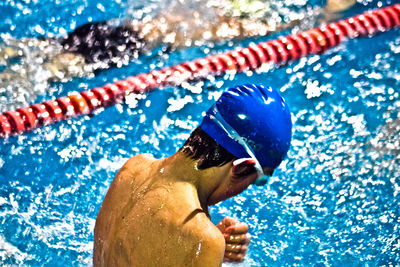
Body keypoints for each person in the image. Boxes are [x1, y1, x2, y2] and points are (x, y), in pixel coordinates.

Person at [0, 0, 355, 111]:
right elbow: (316, 23)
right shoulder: (250, 23)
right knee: (41, 75)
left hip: (123, 27)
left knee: (41, 47)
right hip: (133, 43)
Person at [93, 83, 293, 265]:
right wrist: (207, 246)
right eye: (259, 180)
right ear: (241, 167)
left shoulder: (133, 168)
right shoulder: (202, 238)